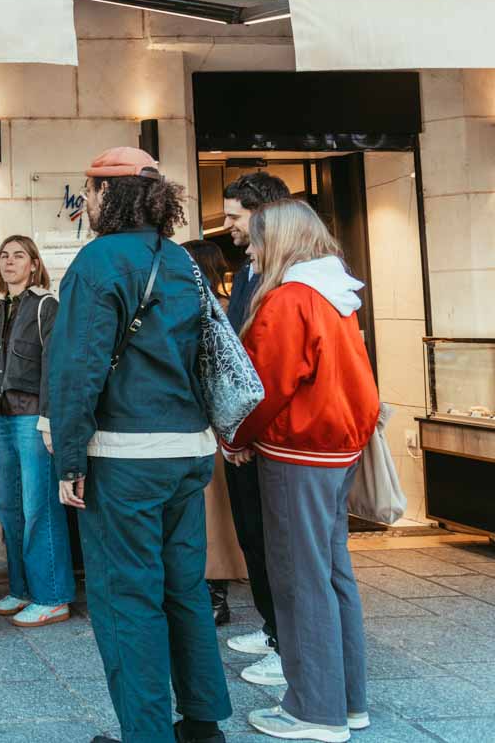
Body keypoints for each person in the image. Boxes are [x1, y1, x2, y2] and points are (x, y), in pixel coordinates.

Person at [47, 147, 231, 743]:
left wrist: (69, 458)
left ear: (108, 194)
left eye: (90, 190)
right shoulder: (182, 261)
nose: (87, 200)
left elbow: (77, 368)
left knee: (128, 599)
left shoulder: (97, 261)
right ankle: (202, 725)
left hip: (125, 455)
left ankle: (146, 734)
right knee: (184, 589)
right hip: (190, 449)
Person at [225, 200, 377, 743]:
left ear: (280, 239)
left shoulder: (290, 299)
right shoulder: (336, 293)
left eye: (258, 237)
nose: (251, 247)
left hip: (297, 451)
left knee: (299, 580)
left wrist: (235, 437)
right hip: (338, 450)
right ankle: (346, 701)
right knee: (333, 577)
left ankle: (315, 710)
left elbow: (262, 385)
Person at [0, 236, 73, 629]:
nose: (9, 261)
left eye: (19, 255)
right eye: (4, 255)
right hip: (0, 419)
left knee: (40, 509)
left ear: (34, 264)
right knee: (9, 509)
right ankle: (21, 588)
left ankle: (52, 596)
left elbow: (55, 366)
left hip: (32, 417)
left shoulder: (46, 305)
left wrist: (49, 420)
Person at [219, 170, 293, 684]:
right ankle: (273, 629)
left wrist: (245, 433)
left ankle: (291, 649)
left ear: (263, 214)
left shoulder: (286, 277)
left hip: (269, 436)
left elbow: (271, 364)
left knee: (276, 545)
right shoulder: (250, 268)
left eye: (234, 216)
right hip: (245, 431)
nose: (226, 227)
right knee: (252, 537)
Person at [182, 239, 248, 627]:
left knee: (212, 515)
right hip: (212, 424)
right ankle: (209, 593)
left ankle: (214, 595)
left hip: (214, 425)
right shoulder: (218, 309)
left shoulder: (216, 312)